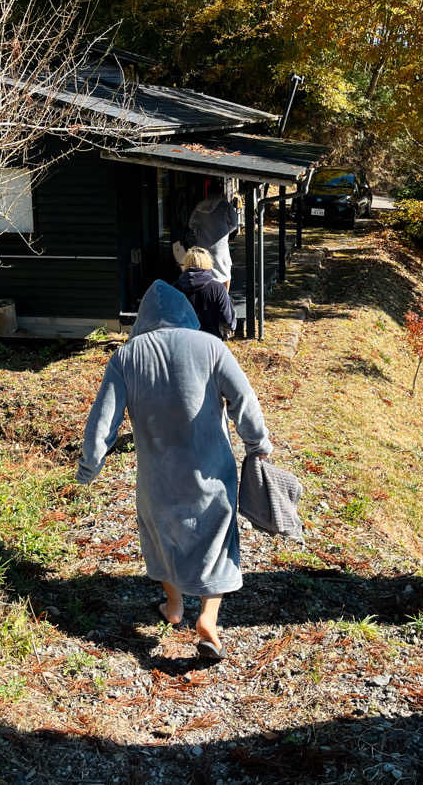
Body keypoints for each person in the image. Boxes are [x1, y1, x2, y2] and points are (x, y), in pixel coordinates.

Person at [77, 280, 272, 658]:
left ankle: (174, 606)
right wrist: (257, 442)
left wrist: (90, 465)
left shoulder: (127, 357)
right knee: (216, 541)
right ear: (186, 314)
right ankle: (208, 620)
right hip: (211, 471)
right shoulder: (211, 347)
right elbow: (242, 399)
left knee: (162, 539)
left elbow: (103, 420)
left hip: (157, 476)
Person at [174, 246, 237, 340]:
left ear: (186, 263)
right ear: (209, 263)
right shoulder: (217, 288)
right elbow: (227, 319)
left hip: (183, 340)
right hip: (212, 340)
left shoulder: (175, 288)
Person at [188, 178, 240, 291]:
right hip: (220, 246)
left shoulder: (200, 206)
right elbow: (235, 224)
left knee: (205, 274)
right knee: (225, 273)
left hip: (203, 246)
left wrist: (200, 231)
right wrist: (225, 232)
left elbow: (191, 224)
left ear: (208, 191)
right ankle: (224, 297)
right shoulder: (225, 206)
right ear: (221, 192)